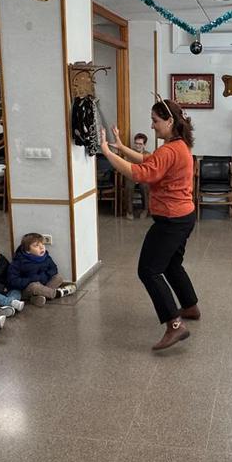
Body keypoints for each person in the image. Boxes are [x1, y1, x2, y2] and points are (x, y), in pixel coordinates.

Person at [98, 100, 199, 350]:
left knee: (149, 270)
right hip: (184, 216)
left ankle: (175, 325)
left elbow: (140, 174)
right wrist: (121, 147)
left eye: (155, 121)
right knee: (172, 263)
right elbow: (150, 160)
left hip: (171, 220)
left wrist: (108, 154)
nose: (152, 126)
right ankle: (190, 306)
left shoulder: (170, 150)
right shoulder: (177, 145)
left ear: (170, 121)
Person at [7, 234, 76, 306]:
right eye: (36, 246)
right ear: (27, 250)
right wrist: (31, 280)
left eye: (42, 244)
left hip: (43, 283)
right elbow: (13, 281)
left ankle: (38, 297)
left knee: (58, 277)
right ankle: (57, 293)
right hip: (27, 288)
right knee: (35, 286)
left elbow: (54, 269)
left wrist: (44, 276)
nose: (41, 247)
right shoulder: (19, 261)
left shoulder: (46, 257)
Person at [125, 133, 152, 219]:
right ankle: (129, 211)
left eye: (140, 144)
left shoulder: (148, 154)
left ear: (144, 145)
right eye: (136, 143)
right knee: (129, 186)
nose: (138, 145)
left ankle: (145, 210)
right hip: (132, 175)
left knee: (144, 186)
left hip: (143, 176)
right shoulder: (130, 152)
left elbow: (148, 168)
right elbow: (126, 165)